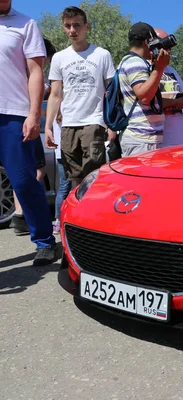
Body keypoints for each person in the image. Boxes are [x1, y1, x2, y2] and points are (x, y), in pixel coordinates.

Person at [0, 0, 58, 265]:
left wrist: (34, 114)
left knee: (23, 180)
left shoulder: (25, 24)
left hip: (13, 112)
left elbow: (36, 71)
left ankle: (45, 240)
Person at [45, 6, 116, 186]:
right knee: (73, 179)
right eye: (68, 26)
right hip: (68, 124)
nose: (72, 30)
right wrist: (48, 127)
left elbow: (112, 92)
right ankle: (78, 213)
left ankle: (94, 212)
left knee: (93, 175)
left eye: (76, 25)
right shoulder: (59, 57)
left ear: (87, 26)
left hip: (93, 121)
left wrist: (112, 124)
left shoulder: (102, 55)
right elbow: (55, 95)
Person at [10, 38, 56, 236]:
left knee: (19, 172)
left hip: (18, 124)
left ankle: (20, 215)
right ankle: (29, 216)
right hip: (29, 125)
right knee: (36, 170)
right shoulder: (33, 76)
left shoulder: (18, 73)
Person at [117, 22, 170, 156]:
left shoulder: (129, 61)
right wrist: (160, 67)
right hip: (141, 140)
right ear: (148, 42)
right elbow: (145, 96)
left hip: (144, 139)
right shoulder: (135, 62)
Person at [153, 28, 183, 148]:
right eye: (165, 45)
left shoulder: (171, 70)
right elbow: (150, 100)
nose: (169, 50)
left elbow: (182, 91)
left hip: (179, 134)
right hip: (159, 136)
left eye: (170, 47)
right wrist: (175, 102)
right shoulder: (146, 69)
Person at [52, 109, 71, 234]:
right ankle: (58, 220)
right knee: (67, 186)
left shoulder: (54, 111)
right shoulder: (67, 108)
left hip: (59, 152)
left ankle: (58, 221)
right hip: (68, 151)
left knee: (63, 186)